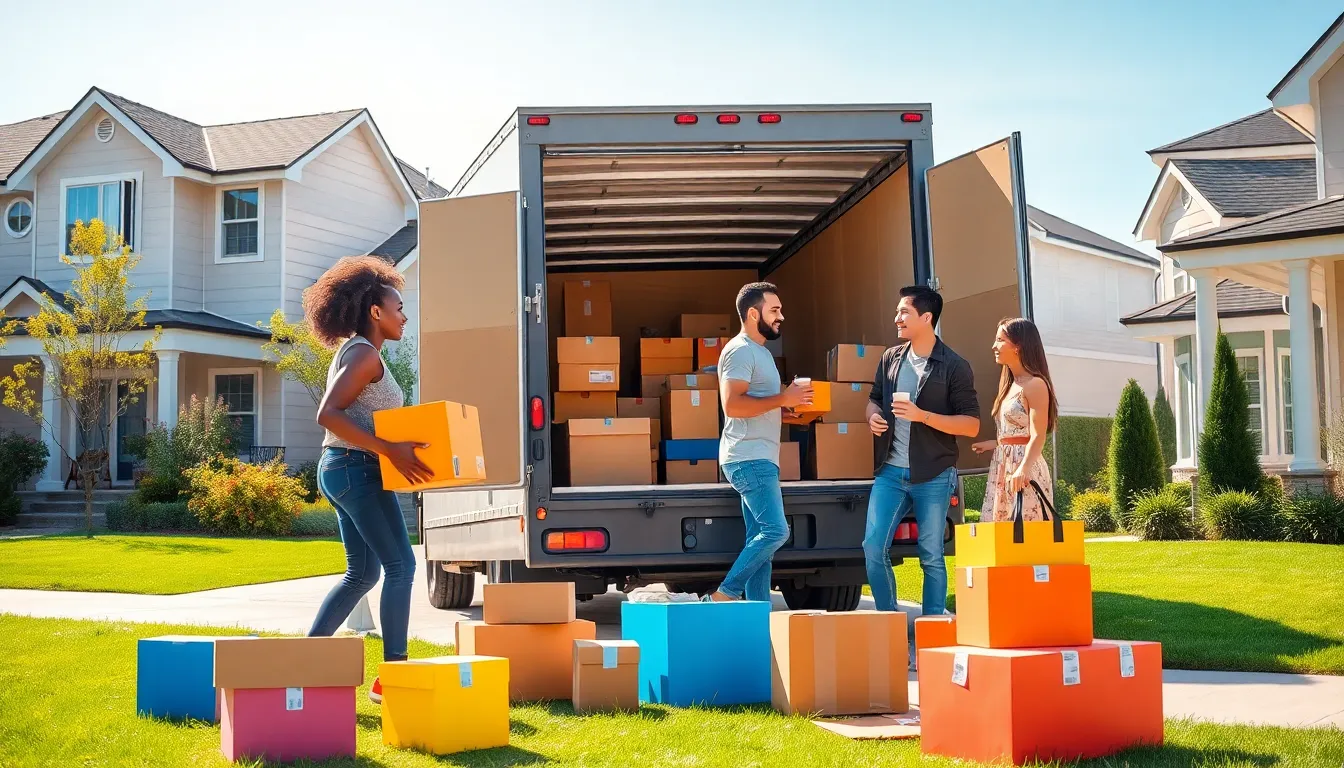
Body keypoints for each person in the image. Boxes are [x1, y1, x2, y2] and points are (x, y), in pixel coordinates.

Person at [305, 255, 433, 704]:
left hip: (342, 469)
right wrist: (389, 450)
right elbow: (328, 413)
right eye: (398, 308)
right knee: (402, 567)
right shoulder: (363, 354)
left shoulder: (360, 351)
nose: (404, 317)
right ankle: (394, 678)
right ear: (375, 311)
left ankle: (302, 663)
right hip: (354, 469)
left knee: (362, 574)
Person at [864, 285, 980, 620]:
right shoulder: (890, 358)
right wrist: (872, 417)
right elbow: (874, 398)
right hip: (890, 472)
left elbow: (971, 425)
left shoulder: (954, 365)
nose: (896, 318)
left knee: (931, 554)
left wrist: (922, 416)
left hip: (934, 474)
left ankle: (932, 630)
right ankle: (889, 624)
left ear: (926, 318)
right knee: (873, 547)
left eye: (904, 312)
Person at [704, 282, 813, 603]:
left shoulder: (762, 352)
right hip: (748, 457)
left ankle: (757, 616)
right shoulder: (739, 350)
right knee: (776, 531)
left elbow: (759, 405)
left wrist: (790, 410)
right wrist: (783, 398)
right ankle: (723, 595)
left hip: (759, 456)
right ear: (753, 314)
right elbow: (732, 405)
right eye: (774, 310)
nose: (781, 316)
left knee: (761, 543)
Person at [971, 317, 1058, 521]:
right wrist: (996, 444)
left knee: (1027, 528)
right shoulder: (1009, 384)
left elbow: (1038, 435)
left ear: (1018, 346)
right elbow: (1019, 430)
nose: (994, 346)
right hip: (1003, 466)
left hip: (1024, 468)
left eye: (1000, 340)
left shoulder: (1035, 384)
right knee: (1004, 529)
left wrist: (1023, 469)